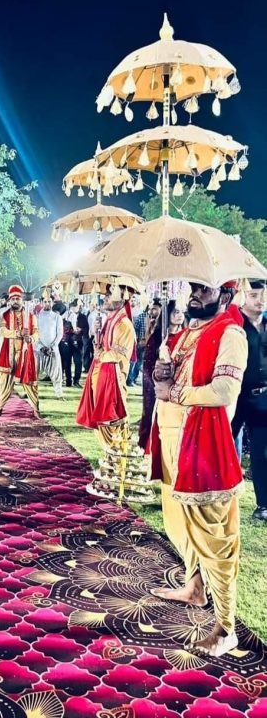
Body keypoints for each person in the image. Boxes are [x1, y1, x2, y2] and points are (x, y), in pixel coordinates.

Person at [149, 281, 247, 657]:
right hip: (173, 440)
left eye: (204, 290)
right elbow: (168, 383)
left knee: (213, 536)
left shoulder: (231, 334)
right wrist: (161, 373)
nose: (195, 294)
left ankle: (226, 628)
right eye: (193, 287)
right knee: (179, 524)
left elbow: (224, 392)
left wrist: (173, 392)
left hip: (204, 448)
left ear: (225, 297)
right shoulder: (185, 334)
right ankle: (194, 587)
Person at [76, 286, 135, 449]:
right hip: (100, 375)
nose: (105, 298)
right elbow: (100, 348)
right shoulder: (110, 320)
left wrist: (100, 354)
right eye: (106, 295)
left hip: (112, 379)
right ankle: (109, 457)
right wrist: (96, 332)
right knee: (101, 420)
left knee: (111, 421)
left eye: (110, 295)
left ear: (121, 300)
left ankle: (116, 459)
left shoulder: (124, 324)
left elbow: (117, 355)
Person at [233, 280, 267, 520]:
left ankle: (263, 505)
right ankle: (213, 494)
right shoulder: (233, 325)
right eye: (254, 295)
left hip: (262, 397)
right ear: (243, 296)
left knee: (261, 452)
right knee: (221, 443)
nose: (261, 300)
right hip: (234, 396)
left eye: (264, 295)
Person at [138, 301, 184, 449]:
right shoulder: (157, 337)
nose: (179, 315)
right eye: (175, 312)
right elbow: (148, 365)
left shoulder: (186, 336)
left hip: (179, 386)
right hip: (157, 385)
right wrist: (158, 377)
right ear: (167, 314)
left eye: (181, 312)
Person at [0, 284, 40, 418]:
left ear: (22, 300)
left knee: (29, 381)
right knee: (5, 382)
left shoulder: (31, 316)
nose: (15, 301)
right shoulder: (5, 315)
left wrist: (31, 338)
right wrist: (17, 333)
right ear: (10, 300)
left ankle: (36, 408)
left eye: (18, 298)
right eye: (13, 299)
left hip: (25, 353)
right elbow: (2, 331)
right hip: (8, 353)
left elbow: (36, 332)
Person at [36, 294, 64, 398]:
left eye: (49, 302)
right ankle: (31, 393)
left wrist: (52, 346)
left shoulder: (57, 317)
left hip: (53, 349)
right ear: (41, 303)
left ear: (52, 303)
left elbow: (59, 334)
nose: (47, 304)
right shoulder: (37, 317)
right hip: (39, 349)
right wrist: (41, 346)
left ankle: (59, 394)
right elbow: (35, 333)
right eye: (45, 302)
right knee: (33, 372)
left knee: (56, 372)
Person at [62, 299, 83, 387]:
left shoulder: (65, 314)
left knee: (69, 362)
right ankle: (73, 381)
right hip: (72, 341)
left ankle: (70, 381)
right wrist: (76, 330)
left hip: (68, 341)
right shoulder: (72, 315)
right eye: (78, 306)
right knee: (74, 362)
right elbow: (74, 328)